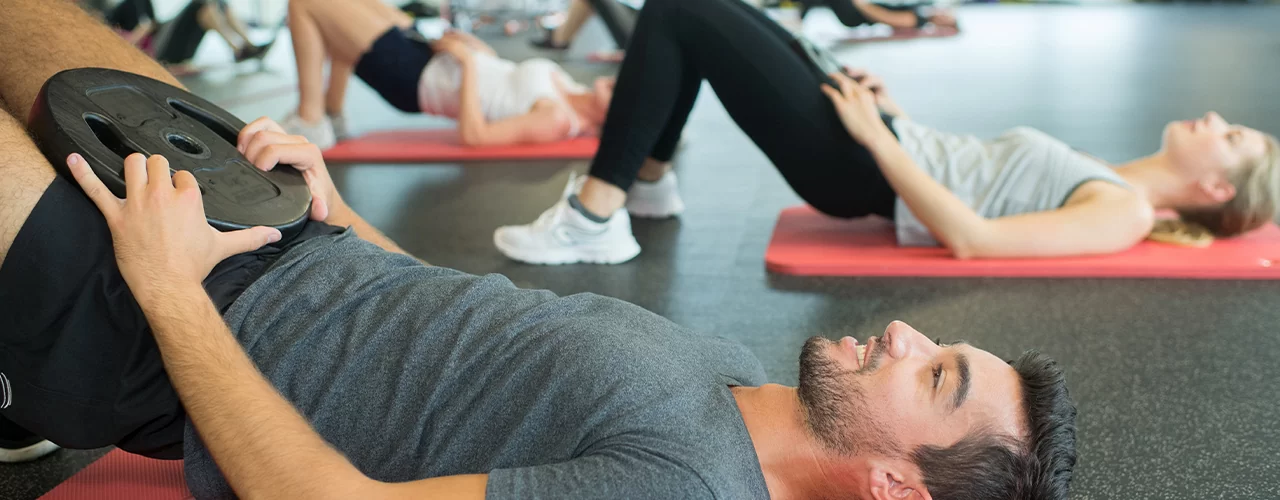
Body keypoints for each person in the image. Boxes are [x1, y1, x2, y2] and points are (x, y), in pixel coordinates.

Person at [0, 2, 1079, 498]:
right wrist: (334, 210)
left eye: (934, 375)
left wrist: (169, 289)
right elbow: (452, 318)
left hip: (154, 327)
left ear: (894, 487)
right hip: (282, 233)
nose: (906, 333)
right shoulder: (734, 376)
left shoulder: (682, 485)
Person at [492, 0, 1279, 265]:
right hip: (880, 141)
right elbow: (975, 176)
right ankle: (648, 183)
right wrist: (890, 113)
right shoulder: (1112, 174)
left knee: (680, 10)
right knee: (705, 14)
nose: (1216, 120)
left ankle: (596, 214)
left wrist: (878, 138)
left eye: (1233, 136)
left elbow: (972, 238)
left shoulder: (1125, 211)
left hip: (860, 167)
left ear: (1215, 188)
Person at [282, 0, 615, 150]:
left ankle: (311, 119)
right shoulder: (570, 85)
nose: (618, 83)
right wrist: (476, 49)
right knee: (339, 15)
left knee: (305, 3)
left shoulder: (558, 119)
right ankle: (333, 115)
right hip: (434, 58)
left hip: (414, 79)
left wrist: (467, 64)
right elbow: (503, 83)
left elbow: (475, 136)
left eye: (620, 95)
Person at [104, 0, 272, 65]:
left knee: (218, 3)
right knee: (199, 5)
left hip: (166, 43)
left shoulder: (145, 3)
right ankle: (238, 50)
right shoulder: (123, 7)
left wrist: (151, 26)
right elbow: (116, 42)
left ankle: (248, 46)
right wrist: (141, 31)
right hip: (157, 50)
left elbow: (153, 24)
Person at [798, 0, 958, 31]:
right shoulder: (923, 8)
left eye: (945, 19)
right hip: (859, 10)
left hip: (855, 16)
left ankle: (798, 19)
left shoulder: (917, 19)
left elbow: (883, 16)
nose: (942, 14)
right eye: (946, 14)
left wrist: (860, 4)